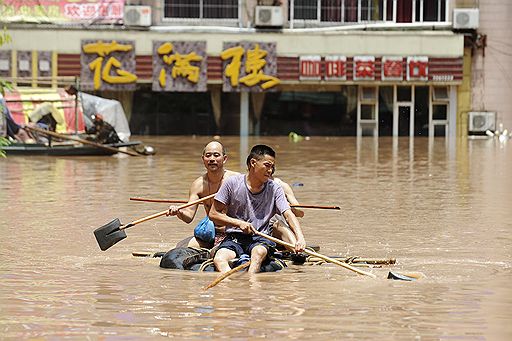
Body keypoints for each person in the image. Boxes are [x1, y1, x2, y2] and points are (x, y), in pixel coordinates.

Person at [209, 144, 307, 274]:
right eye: (267, 165)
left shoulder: (275, 188)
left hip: (260, 239)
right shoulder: (231, 183)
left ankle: (252, 287)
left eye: (272, 167)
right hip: (234, 237)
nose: (270, 171)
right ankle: (229, 288)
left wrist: (300, 238)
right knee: (220, 259)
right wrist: (238, 223)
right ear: (253, 163)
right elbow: (213, 214)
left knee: (258, 253)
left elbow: (288, 214)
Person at [167, 140, 238, 249]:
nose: (212, 159)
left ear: (224, 159)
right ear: (203, 159)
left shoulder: (236, 180)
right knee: (182, 251)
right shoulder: (198, 185)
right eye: (208, 155)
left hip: (234, 232)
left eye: (216, 155)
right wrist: (178, 211)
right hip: (211, 233)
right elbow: (189, 217)